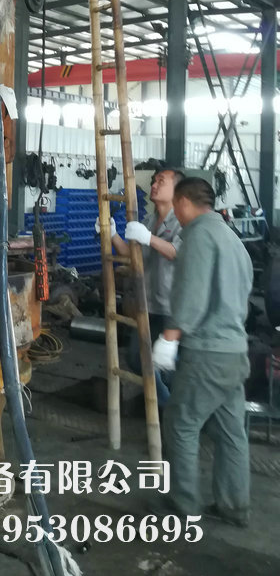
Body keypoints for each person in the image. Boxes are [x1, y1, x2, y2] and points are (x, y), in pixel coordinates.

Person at [152, 177, 253, 526]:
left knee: (181, 423)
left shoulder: (197, 236)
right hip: (235, 350)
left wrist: (169, 337)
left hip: (207, 353)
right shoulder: (231, 237)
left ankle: (183, 504)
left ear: (182, 202)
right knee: (231, 432)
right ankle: (233, 506)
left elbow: (191, 295)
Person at [98, 167, 184, 405]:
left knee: (175, 366)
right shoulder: (148, 220)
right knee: (138, 359)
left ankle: (177, 410)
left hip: (174, 309)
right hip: (148, 304)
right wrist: (113, 234)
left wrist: (149, 238)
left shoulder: (182, 221)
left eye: (161, 181)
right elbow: (131, 256)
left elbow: (179, 253)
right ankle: (167, 404)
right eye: (154, 181)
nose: (154, 185)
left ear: (177, 190)